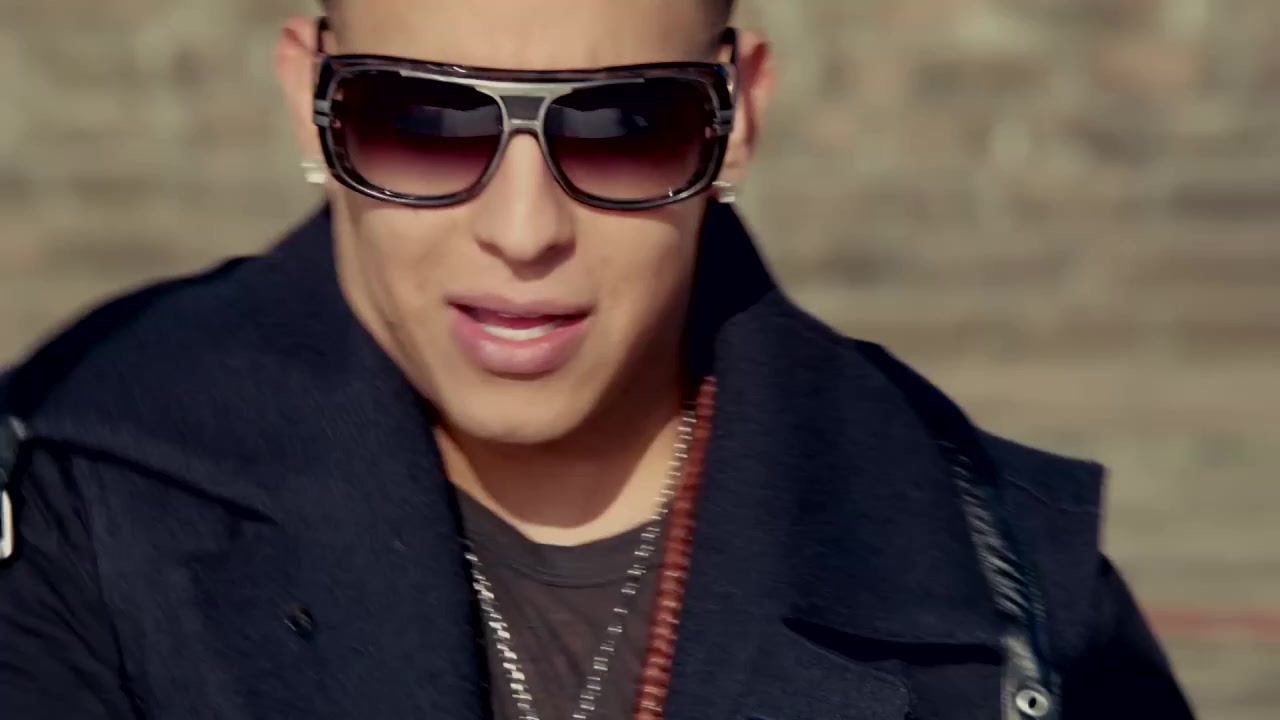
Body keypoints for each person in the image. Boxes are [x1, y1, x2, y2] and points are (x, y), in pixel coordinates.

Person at [0, 1, 1195, 719]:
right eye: (421, 119)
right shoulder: (77, 506)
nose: (523, 231)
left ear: (735, 116)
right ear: (309, 98)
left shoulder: (1005, 582)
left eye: (625, 125)